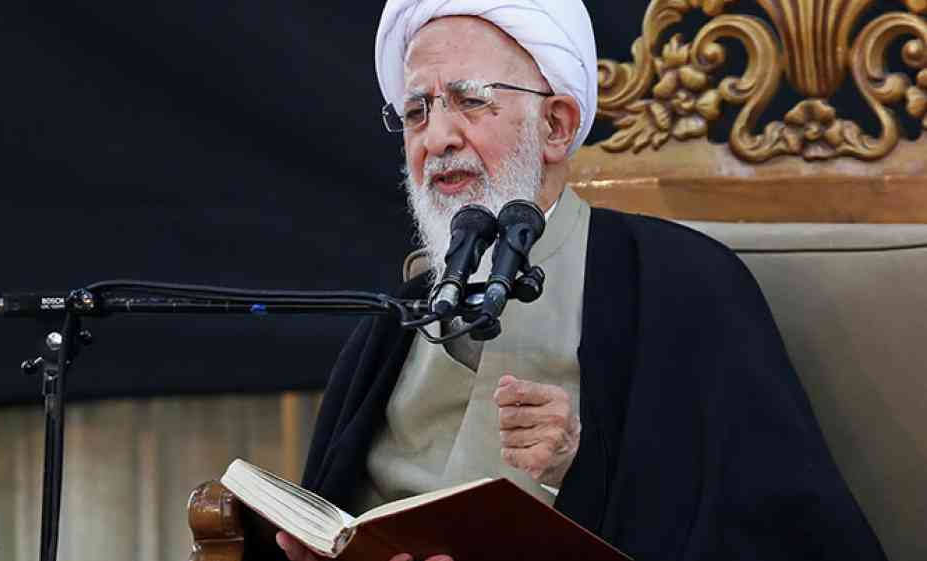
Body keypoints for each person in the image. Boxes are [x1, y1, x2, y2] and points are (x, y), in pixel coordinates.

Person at [275, 1, 887, 560]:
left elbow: (767, 528)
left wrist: (577, 462)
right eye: (416, 112)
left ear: (557, 126)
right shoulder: (395, 321)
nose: (436, 139)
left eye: (469, 100)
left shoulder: (686, 286)